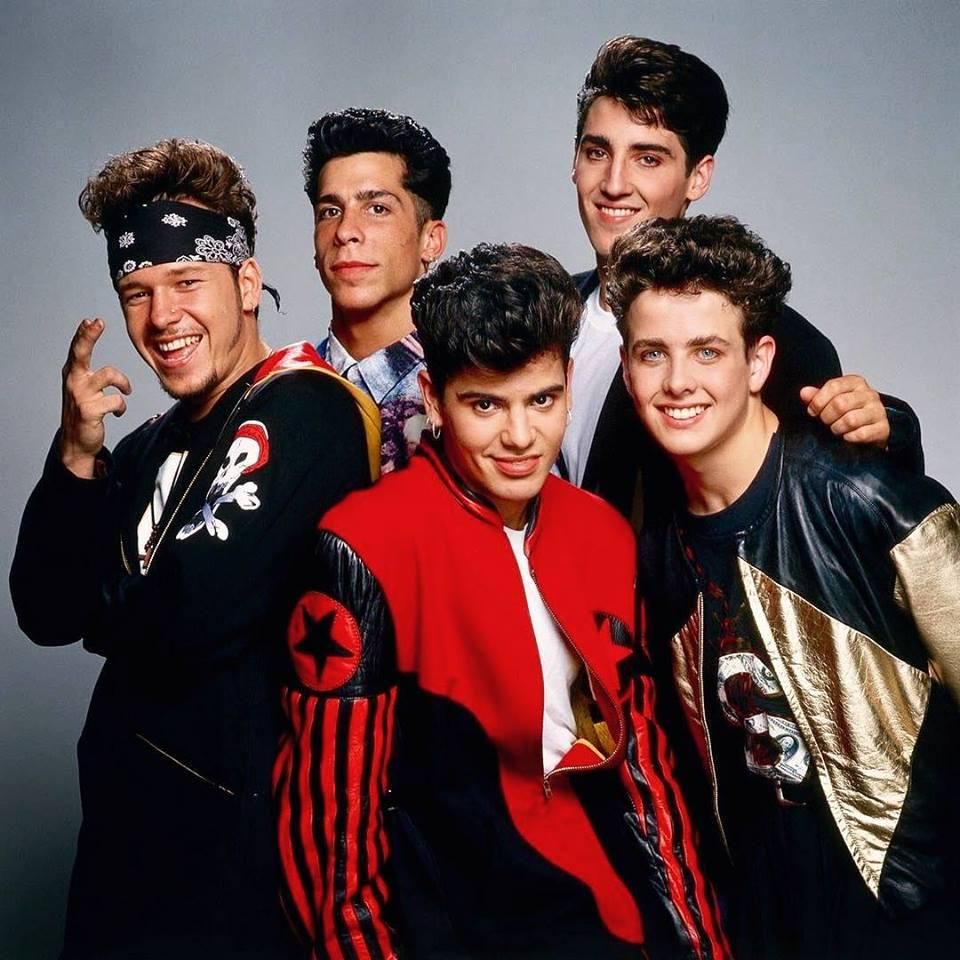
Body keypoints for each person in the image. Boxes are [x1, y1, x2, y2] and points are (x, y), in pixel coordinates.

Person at [275, 243, 730, 959]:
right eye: (485, 405)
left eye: (541, 400)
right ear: (433, 399)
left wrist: (703, 947)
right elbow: (331, 830)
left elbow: (649, 777)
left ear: (568, 385)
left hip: (605, 915)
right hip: (453, 924)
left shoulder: (602, 533)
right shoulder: (365, 542)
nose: (520, 437)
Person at [9, 138, 380, 959]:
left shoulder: (309, 409)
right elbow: (44, 610)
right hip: (122, 860)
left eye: (186, 282)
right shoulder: (145, 445)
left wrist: (108, 604)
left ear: (245, 283)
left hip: (234, 878)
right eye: (136, 292)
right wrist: (76, 458)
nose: (161, 317)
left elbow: (192, 613)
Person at [606, 214, 960, 959]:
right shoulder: (657, 556)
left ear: (758, 361)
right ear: (628, 367)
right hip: (763, 925)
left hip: (912, 917)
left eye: (707, 351)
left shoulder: (866, 498)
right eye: (652, 354)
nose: (677, 382)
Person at [564, 35, 922, 521]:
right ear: (575, 160)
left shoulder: (777, 340)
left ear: (698, 176)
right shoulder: (547, 314)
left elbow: (838, 505)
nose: (614, 183)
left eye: (648, 158)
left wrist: (892, 429)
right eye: (597, 152)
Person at [304, 108, 450, 472]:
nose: (345, 232)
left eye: (377, 208)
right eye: (330, 211)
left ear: (431, 240)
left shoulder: (465, 391)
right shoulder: (284, 386)